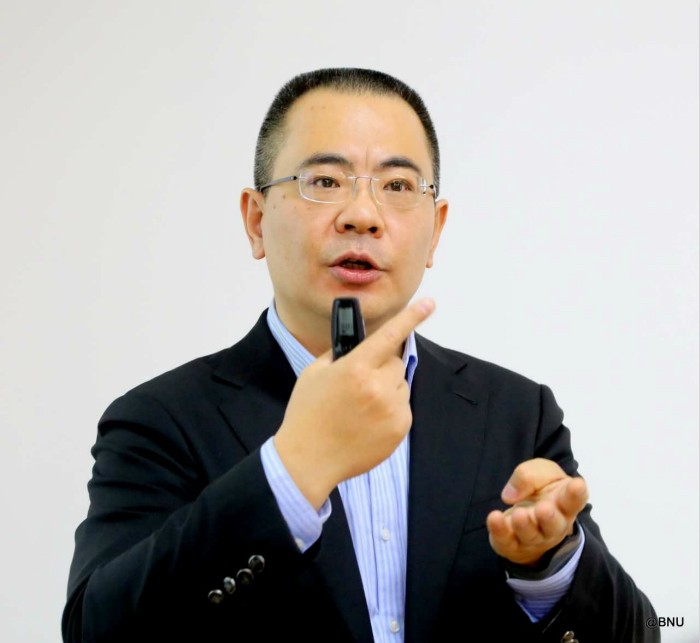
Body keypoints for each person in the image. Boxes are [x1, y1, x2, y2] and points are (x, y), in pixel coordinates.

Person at [63, 68, 658, 643]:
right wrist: (293, 470)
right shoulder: (161, 419)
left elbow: (641, 635)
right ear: (256, 221)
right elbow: (97, 630)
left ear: (436, 230)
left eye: (397, 187)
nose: (363, 216)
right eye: (325, 182)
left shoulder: (516, 413)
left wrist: (548, 565)